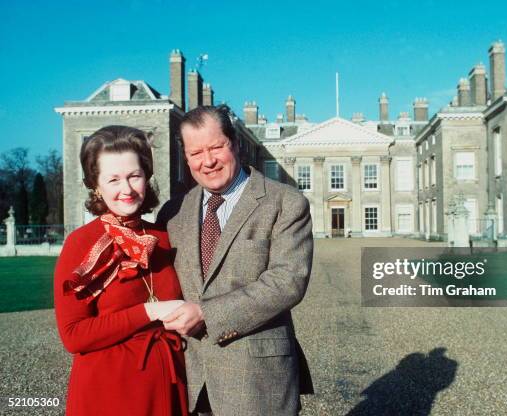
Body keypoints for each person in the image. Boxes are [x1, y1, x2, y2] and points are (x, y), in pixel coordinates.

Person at [157, 105, 314, 416]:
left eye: (216, 147)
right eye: (196, 152)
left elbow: (288, 281)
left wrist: (205, 313)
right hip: (190, 378)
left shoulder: (285, 202)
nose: (208, 161)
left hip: (257, 378)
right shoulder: (171, 214)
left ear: (236, 144)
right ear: (186, 157)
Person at [54, 126, 189, 416]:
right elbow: (73, 335)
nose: (126, 189)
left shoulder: (165, 237)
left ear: (147, 177)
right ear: (95, 185)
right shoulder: (80, 243)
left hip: (169, 386)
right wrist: (150, 312)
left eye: (134, 176)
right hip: (109, 393)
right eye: (113, 179)